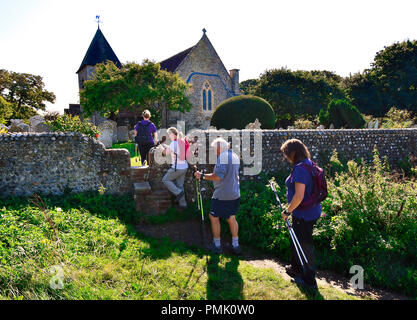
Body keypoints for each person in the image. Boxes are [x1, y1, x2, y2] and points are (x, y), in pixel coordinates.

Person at [280, 138, 321, 290]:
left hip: (304, 214)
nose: (285, 157)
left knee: (304, 246)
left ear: (293, 153)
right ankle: (296, 268)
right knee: (297, 240)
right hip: (311, 210)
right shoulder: (308, 164)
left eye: (286, 154)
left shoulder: (300, 169)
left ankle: (310, 281)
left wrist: (287, 211)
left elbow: (299, 196)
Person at [194, 137, 242, 255]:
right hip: (235, 193)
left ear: (219, 148)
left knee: (213, 217)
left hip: (222, 194)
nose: (215, 151)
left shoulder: (223, 157)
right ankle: (235, 245)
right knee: (231, 218)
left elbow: (218, 176)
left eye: (215, 149)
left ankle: (217, 245)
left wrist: (202, 176)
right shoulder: (234, 155)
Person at [161, 127, 188, 208]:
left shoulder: (173, 143)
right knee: (180, 185)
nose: (169, 136)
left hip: (177, 168)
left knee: (165, 180)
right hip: (184, 167)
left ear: (172, 134)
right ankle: (183, 204)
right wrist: (167, 146)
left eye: (169, 134)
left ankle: (178, 193)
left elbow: (164, 153)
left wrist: (161, 148)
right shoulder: (181, 141)